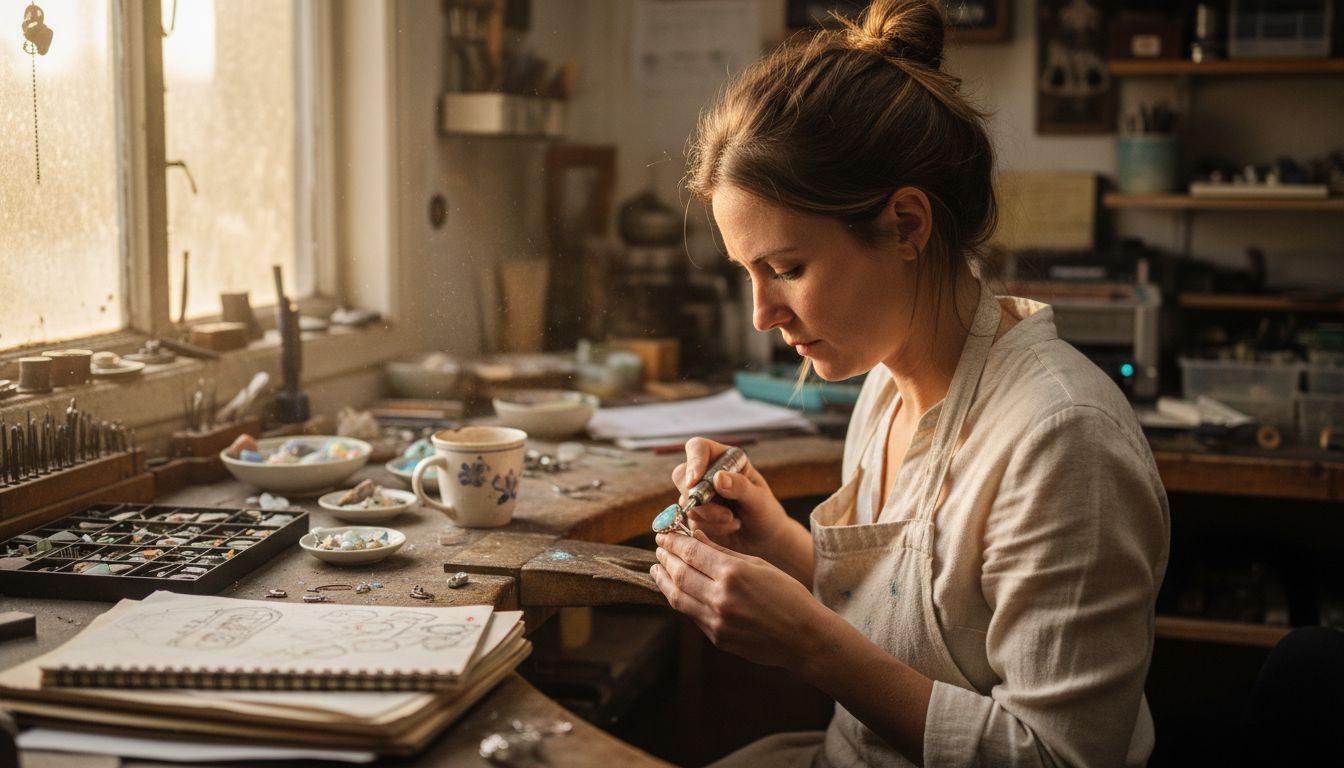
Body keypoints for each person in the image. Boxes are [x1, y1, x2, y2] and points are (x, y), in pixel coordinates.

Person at [648, 1, 1170, 766]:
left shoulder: (1063, 439)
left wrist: (811, 648)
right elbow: (914, 615)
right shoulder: (889, 385)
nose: (762, 316)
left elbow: (1059, 757)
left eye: (786, 269)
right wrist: (777, 542)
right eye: (747, 274)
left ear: (906, 226)